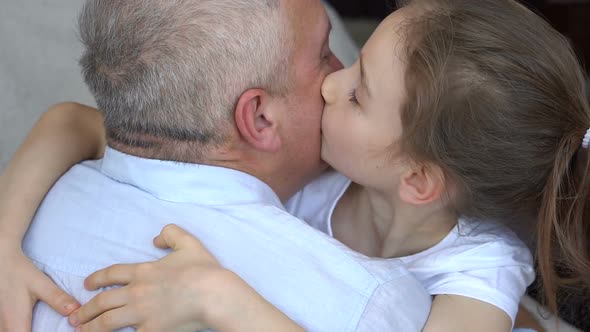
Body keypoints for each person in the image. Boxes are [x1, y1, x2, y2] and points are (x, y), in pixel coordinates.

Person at [2, 0, 589, 330]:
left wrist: (222, 298)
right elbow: (71, 121)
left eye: (358, 93)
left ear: (417, 180)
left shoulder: (480, 268)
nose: (334, 83)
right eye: (337, 61)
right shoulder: (335, 169)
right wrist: (3, 244)